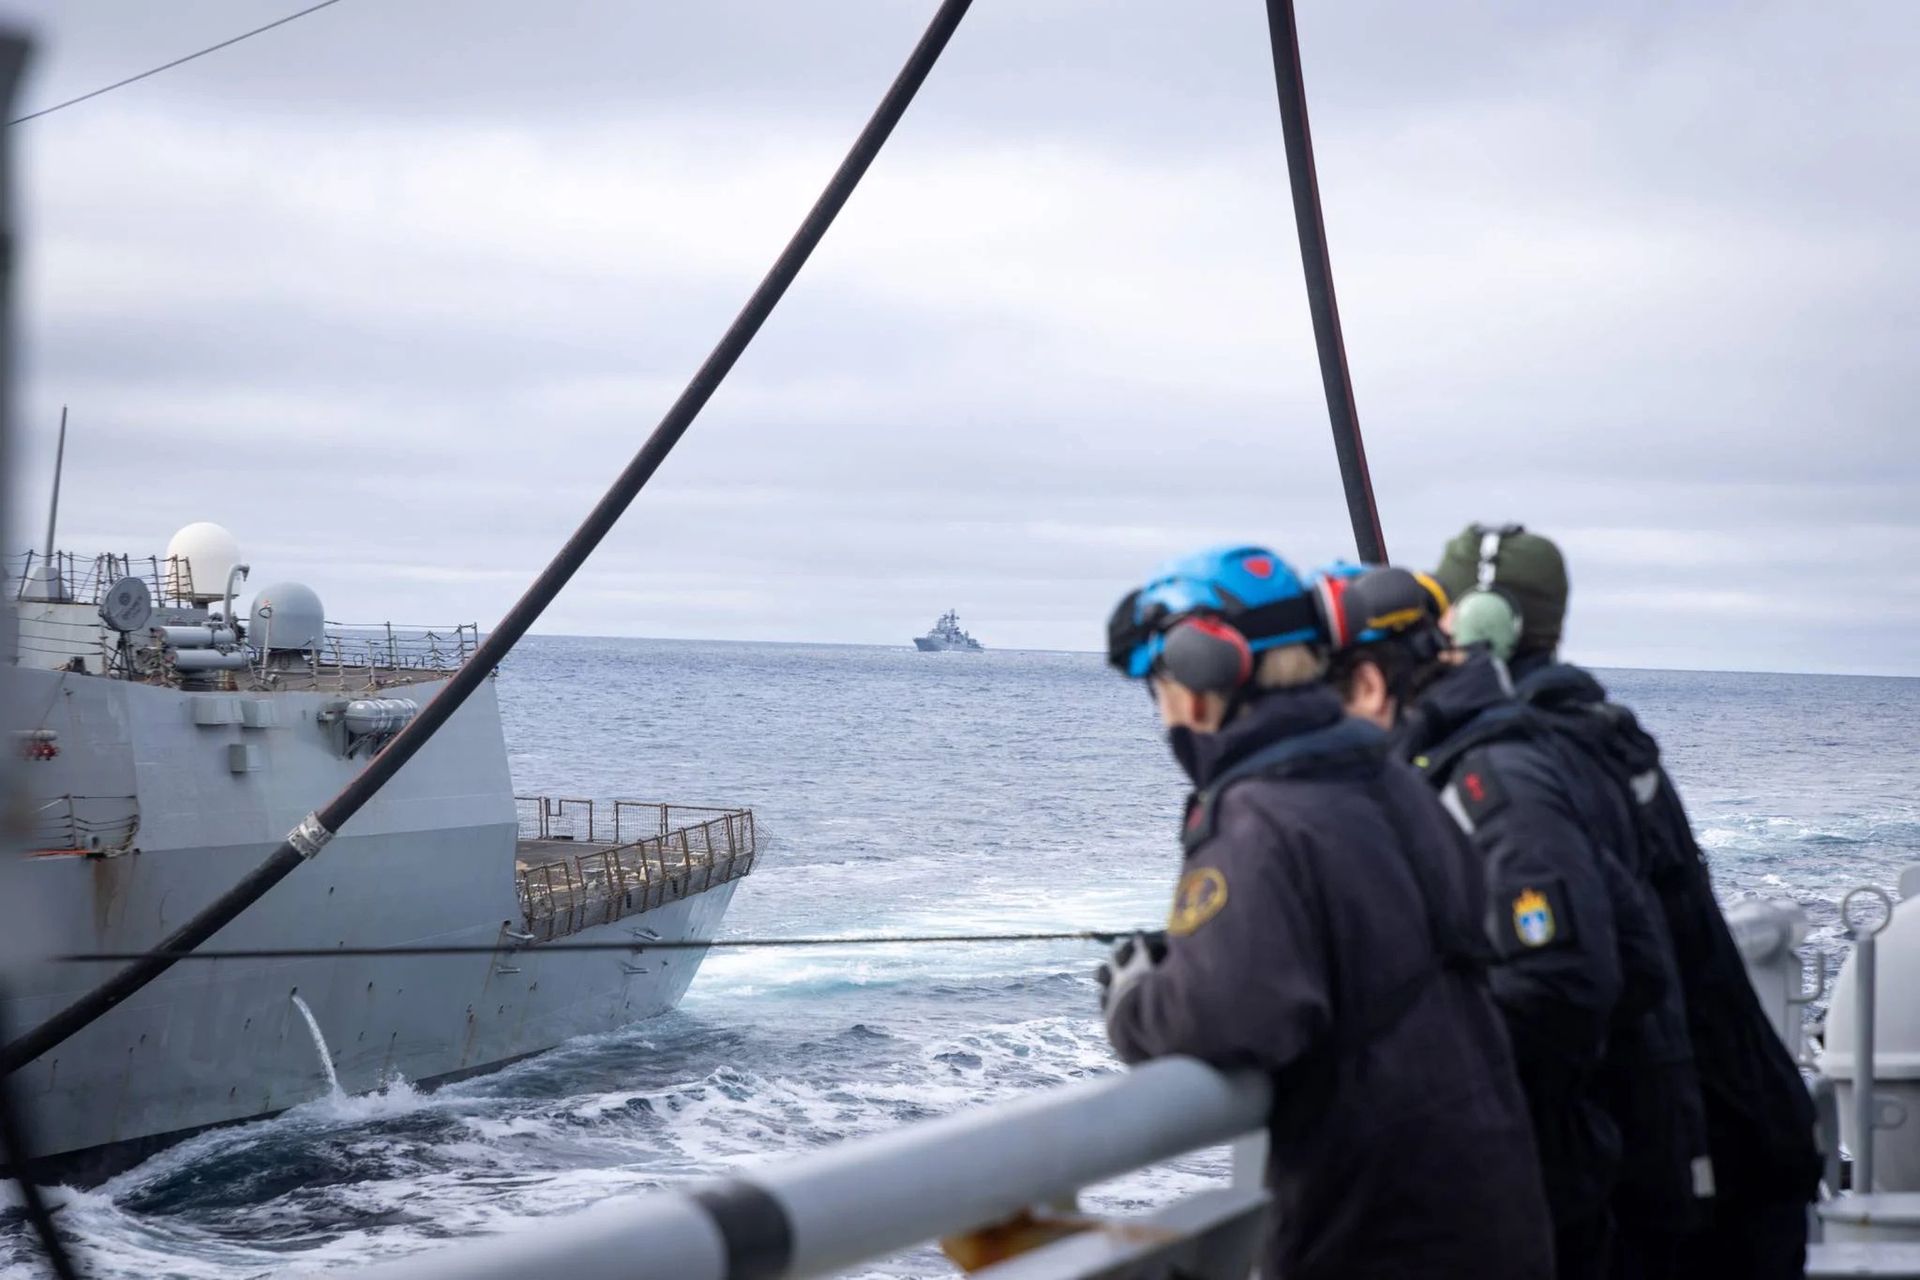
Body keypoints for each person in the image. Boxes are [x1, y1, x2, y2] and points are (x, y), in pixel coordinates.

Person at [1099, 544, 1551, 1280]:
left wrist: (1133, 999)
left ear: (1202, 682)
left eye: (1161, 688)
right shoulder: (1392, 779)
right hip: (1493, 1205)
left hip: (1382, 1231)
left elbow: (1230, 1012)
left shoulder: (1258, 818)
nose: (1163, 714)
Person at [1430, 524, 1821, 1280]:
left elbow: (1568, 980)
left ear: (1482, 624)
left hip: (1669, 1168)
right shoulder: (1596, 737)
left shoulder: (1519, 770)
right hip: (1728, 1134)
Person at [1322, 563, 1667, 1280]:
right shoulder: (1441, 766)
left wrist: (1425, 1087)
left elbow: (1564, 981)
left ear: (1371, 684)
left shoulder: (1490, 782)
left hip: (1531, 1178)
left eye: (1331, 692)